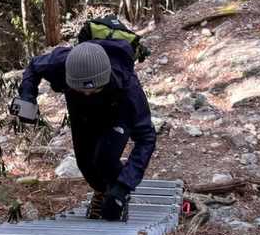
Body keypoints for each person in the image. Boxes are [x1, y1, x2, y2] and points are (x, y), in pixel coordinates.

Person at [9, 38, 157, 221]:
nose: (87, 93)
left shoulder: (129, 89)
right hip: (80, 110)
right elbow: (33, 67)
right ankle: (103, 192)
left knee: (105, 158)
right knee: (85, 162)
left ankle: (117, 195)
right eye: (82, 89)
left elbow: (146, 138)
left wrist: (123, 187)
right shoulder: (60, 62)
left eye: (93, 90)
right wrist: (27, 97)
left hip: (116, 112)